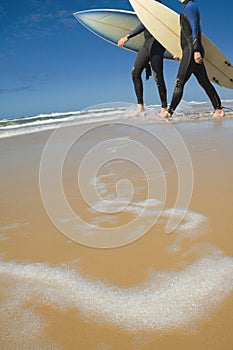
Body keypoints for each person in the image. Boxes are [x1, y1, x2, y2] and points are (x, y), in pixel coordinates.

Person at [164, 0, 224, 118]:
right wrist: (181, 53)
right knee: (204, 82)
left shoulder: (191, 7)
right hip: (189, 51)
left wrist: (196, 50)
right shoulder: (187, 7)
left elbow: (195, 29)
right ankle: (218, 109)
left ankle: (168, 112)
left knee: (179, 82)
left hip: (192, 51)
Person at [118, 0, 176, 117]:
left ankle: (164, 108)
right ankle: (141, 107)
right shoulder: (146, 8)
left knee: (158, 77)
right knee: (135, 73)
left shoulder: (157, 8)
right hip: (146, 45)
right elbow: (143, 23)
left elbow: (147, 25)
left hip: (157, 46)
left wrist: (128, 36)